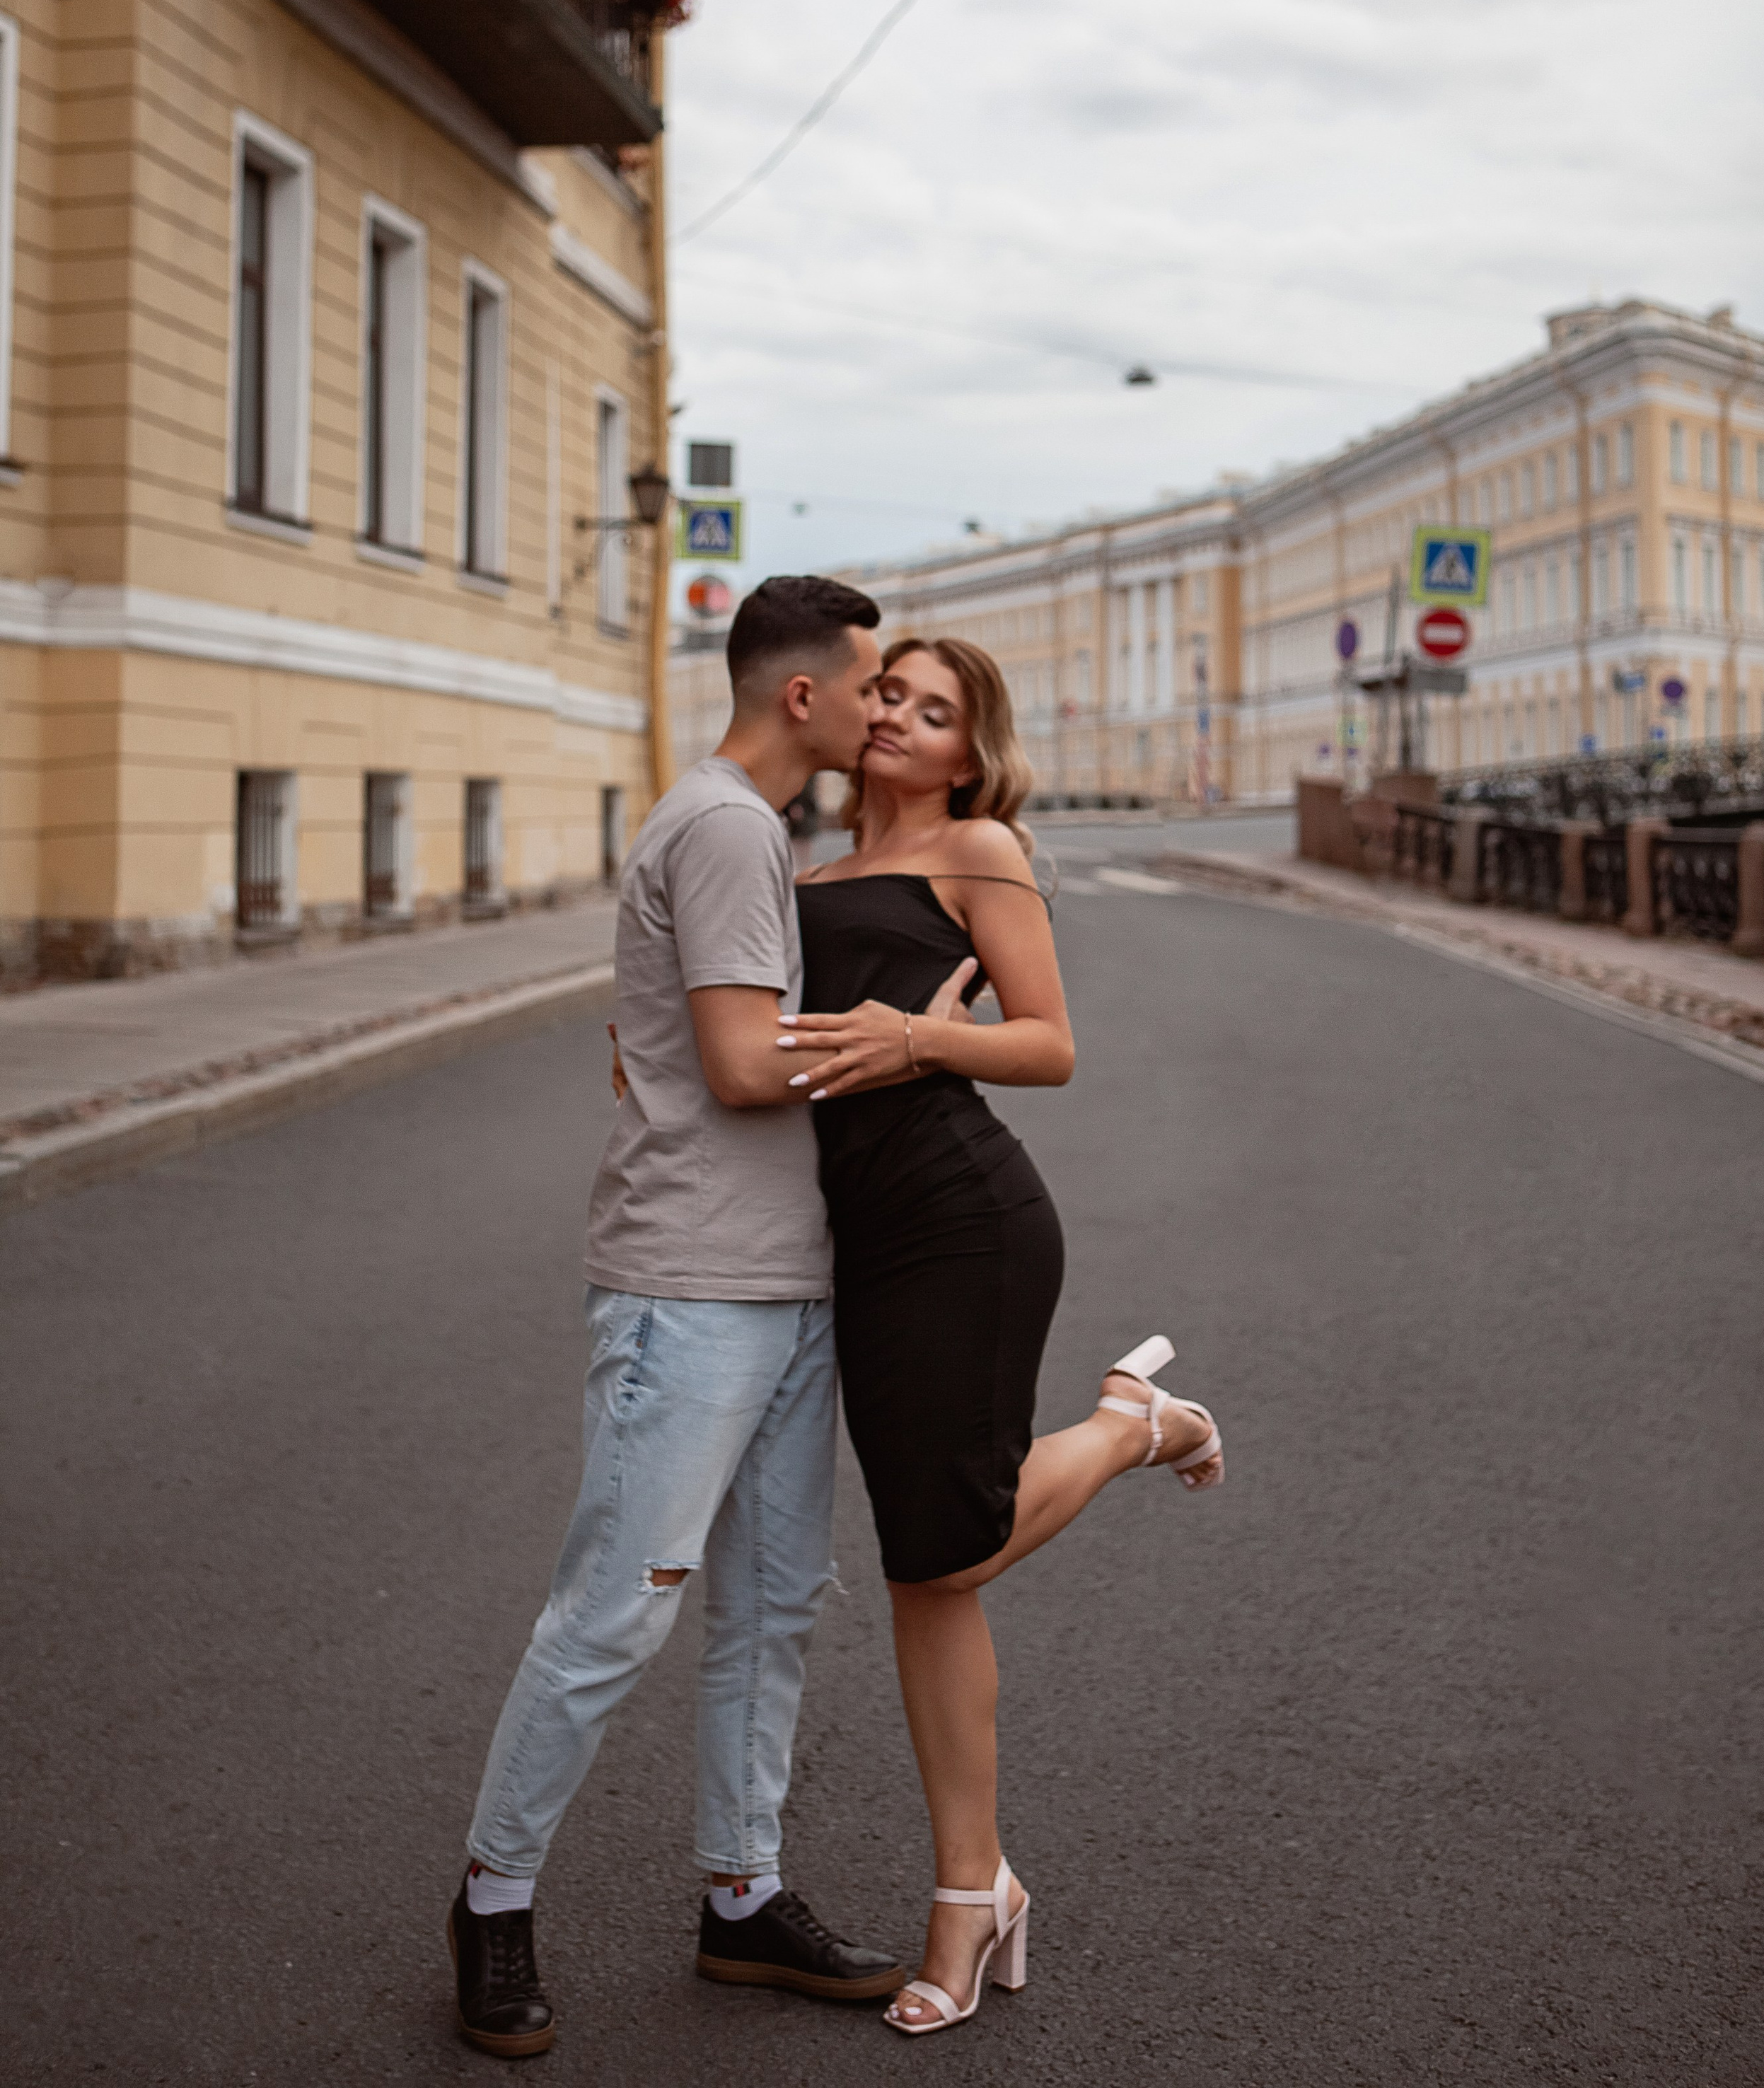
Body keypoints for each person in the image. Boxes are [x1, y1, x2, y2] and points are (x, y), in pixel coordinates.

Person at [450, 576, 971, 2058]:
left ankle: (741, 1897)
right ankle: (492, 1902)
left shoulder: (748, 826)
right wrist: (908, 1040)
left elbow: (695, 1045)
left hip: (783, 1275)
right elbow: (743, 1065)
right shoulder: (730, 825)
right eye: (870, 685)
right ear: (799, 696)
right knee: (617, 1612)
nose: (884, 708)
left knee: (771, 1611)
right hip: (689, 1286)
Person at [787, 636, 1224, 2037]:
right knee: (927, 1575)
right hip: (856, 1234)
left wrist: (919, 1043)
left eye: (934, 711)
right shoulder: (800, 875)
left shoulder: (977, 848)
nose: (899, 722)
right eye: (889, 697)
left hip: (963, 1219)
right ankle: (972, 1896)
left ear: (970, 752)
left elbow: (1047, 1042)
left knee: (951, 1540)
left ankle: (1129, 1424)